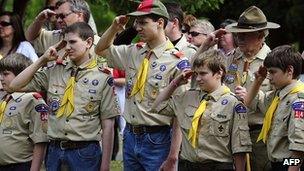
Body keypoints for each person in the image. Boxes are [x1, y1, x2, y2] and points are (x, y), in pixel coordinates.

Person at [9, 22, 119, 171]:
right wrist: (42, 60)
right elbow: (15, 86)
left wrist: (105, 165)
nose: (67, 47)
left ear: (88, 42)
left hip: (84, 152)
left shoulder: (103, 77)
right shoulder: (54, 71)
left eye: (72, 42)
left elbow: (108, 125)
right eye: (65, 42)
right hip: (54, 150)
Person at [95, 0, 191, 170]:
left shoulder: (177, 61)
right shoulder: (134, 52)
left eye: (143, 22)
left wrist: (173, 157)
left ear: (160, 23)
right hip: (131, 135)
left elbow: (180, 112)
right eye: (137, 22)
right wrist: (114, 28)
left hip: (158, 138)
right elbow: (100, 50)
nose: (137, 27)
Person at [152, 49, 252, 171]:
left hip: (217, 166)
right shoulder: (188, 97)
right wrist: (175, 83)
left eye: (203, 73)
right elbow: (157, 106)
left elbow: (239, 148)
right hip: (188, 165)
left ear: (219, 73)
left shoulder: (233, 103)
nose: (198, 79)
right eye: (196, 74)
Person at [225, 6, 280, 171]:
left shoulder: (274, 61)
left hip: (258, 134)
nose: (239, 38)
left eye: (245, 34)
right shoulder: (231, 58)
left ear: (260, 36)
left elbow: (277, 103)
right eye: (237, 34)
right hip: (230, 132)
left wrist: (252, 96)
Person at [243, 45, 304, 171]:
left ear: (289, 70)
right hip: (275, 162)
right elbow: (247, 103)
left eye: (272, 72)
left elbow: (299, 147)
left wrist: (291, 168)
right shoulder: (277, 95)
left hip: (288, 164)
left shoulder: (298, 101)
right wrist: (258, 81)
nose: (269, 77)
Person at [0, 53, 48, 171]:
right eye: (0, 74)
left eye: (6, 74)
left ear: (21, 75)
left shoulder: (32, 99)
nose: (1, 78)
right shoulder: (4, 100)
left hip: (22, 165)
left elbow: (40, 140)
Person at [25, 0, 102, 64]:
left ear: (79, 16)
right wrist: (39, 19)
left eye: (62, 16)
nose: (58, 20)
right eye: (57, 17)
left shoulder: (99, 44)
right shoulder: (54, 36)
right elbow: (29, 37)